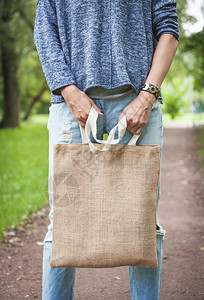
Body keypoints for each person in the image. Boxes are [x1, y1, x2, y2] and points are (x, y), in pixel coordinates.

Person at [34, 1, 179, 299]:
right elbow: (45, 31)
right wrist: (69, 92)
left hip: (138, 108)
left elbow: (168, 30)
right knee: (63, 216)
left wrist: (147, 97)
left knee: (143, 218)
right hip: (72, 107)